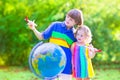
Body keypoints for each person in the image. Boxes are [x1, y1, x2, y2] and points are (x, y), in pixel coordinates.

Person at [27, 9, 84, 80]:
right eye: (68, 17)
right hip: (51, 61)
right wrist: (33, 28)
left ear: (76, 22)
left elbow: (79, 48)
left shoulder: (75, 34)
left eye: (71, 19)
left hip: (66, 64)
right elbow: (41, 37)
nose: (68, 20)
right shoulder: (55, 26)